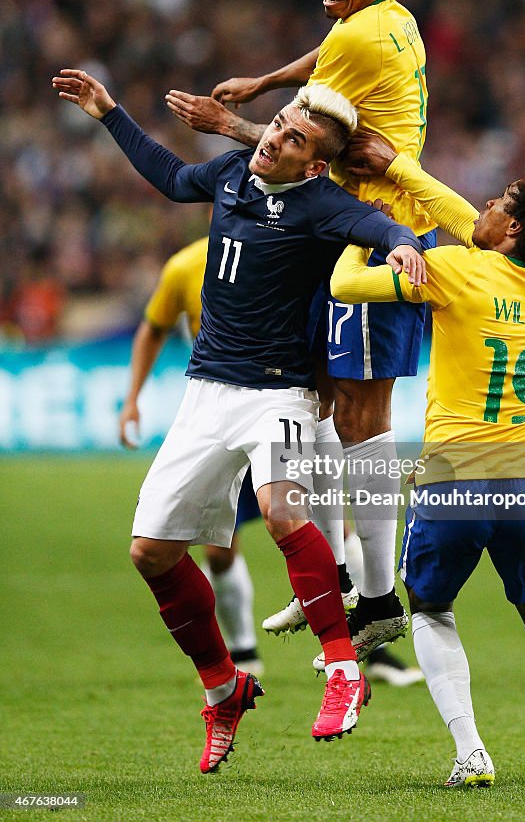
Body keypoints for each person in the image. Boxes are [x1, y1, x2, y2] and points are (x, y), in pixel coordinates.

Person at [52, 67, 426, 774]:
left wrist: (402, 243)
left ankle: (344, 669)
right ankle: (225, 687)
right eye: (279, 125)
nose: (274, 140)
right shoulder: (231, 173)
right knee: (150, 553)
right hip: (205, 395)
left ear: (314, 163)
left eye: (293, 140)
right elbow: (170, 177)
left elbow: (377, 223)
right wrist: (110, 114)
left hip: (277, 394)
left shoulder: (321, 204)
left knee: (284, 513)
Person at [165, 0, 435, 663]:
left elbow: (298, 152)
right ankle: (344, 574)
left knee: (361, 414)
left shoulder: (356, 36)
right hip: (355, 230)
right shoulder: (392, 19)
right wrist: (267, 79)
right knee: (314, 391)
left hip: (372, 231)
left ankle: (377, 597)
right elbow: (324, 67)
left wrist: (230, 122)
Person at [329, 134, 525, 787]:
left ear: (512, 228)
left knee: (428, 608)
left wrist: (362, 216)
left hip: (454, 473)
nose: (483, 201)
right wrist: (401, 171)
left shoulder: (455, 272)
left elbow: (344, 283)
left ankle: (470, 752)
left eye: (501, 200)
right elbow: (471, 226)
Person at [119, 234, 263, 675]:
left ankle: (365, 650)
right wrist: (132, 399)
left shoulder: (285, 241)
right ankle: (243, 649)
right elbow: (153, 327)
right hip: (222, 416)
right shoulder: (185, 266)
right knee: (219, 548)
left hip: (283, 405)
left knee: (331, 526)